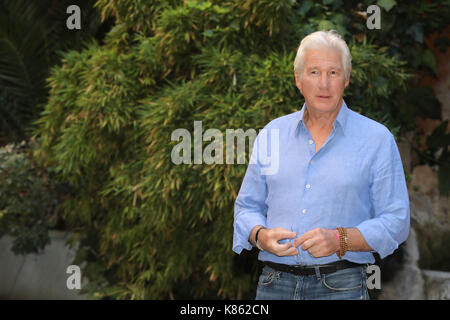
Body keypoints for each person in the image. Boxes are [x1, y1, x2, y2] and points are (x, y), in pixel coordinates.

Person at [232, 30, 410, 300]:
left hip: (342, 286)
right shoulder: (271, 134)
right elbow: (246, 207)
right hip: (274, 283)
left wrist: (341, 240)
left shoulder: (377, 139)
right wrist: (260, 235)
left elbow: (396, 220)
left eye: (334, 73)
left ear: (346, 79)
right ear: (298, 79)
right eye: (314, 72)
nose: (323, 84)